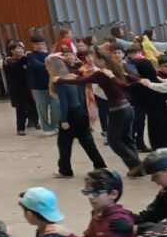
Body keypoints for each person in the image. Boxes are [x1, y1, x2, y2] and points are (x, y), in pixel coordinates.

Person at [56, 47, 143, 176]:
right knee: (126, 139)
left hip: (118, 110)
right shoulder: (114, 69)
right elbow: (131, 78)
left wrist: (59, 80)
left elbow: (80, 81)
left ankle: (136, 165)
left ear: (102, 60)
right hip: (127, 108)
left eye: (95, 58)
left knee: (114, 141)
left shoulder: (102, 73)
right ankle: (135, 168)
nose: (93, 60)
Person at [45, 54, 107, 177]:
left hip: (70, 114)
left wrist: (64, 120)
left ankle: (65, 170)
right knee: (87, 142)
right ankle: (100, 166)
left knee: (64, 144)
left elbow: (64, 103)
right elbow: (82, 97)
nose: (46, 68)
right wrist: (86, 113)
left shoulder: (58, 81)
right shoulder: (73, 77)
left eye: (47, 66)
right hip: (81, 112)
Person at [27, 36, 60, 135]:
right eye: (36, 44)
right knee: (42, 109)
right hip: (38, 87)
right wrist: (48, 65)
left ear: (45, 44)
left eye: (42, 43)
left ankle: (55, 126)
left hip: (52, 85)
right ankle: (46, 128)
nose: (40, 46)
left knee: (56, 106)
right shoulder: (30, 55)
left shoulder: (49, 54)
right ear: (32, 45)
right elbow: (36, 65)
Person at [4, 41, 37, 135]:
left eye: (22, 48)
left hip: (28, 86)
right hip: (17, 89)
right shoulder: (9, 61)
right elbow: (15, 68)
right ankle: (20, 128)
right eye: (18, 48)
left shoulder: (25, 59)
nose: (21, 50)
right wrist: (24, 58)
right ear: (12, 51)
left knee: (33, 105)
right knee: (21, 108)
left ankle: (35, 122)